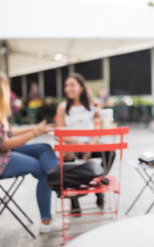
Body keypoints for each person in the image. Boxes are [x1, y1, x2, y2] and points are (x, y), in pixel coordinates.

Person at [0, 70, 63, 233]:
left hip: (0, 155)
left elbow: (7, 132)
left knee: (44, 148)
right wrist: (35, 133)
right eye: (4, 88)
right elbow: (4, 144)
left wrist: (35, 129)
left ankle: (58, 179)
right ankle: (47, 219)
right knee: (43, 169)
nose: (7, 93)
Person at [55, 73, 113, 214]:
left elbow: (97, 127)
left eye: (72, 85)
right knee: (66, 156)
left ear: (81, 87)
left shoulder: (93, 105)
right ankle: (74, 198)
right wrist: (77, 144)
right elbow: (59, 132)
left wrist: (90, 145)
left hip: (90, 144)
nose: (68, 88)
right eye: (66, 86)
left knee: (110, 152)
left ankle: (98, 181)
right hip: (72, 145)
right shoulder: (62, 107)